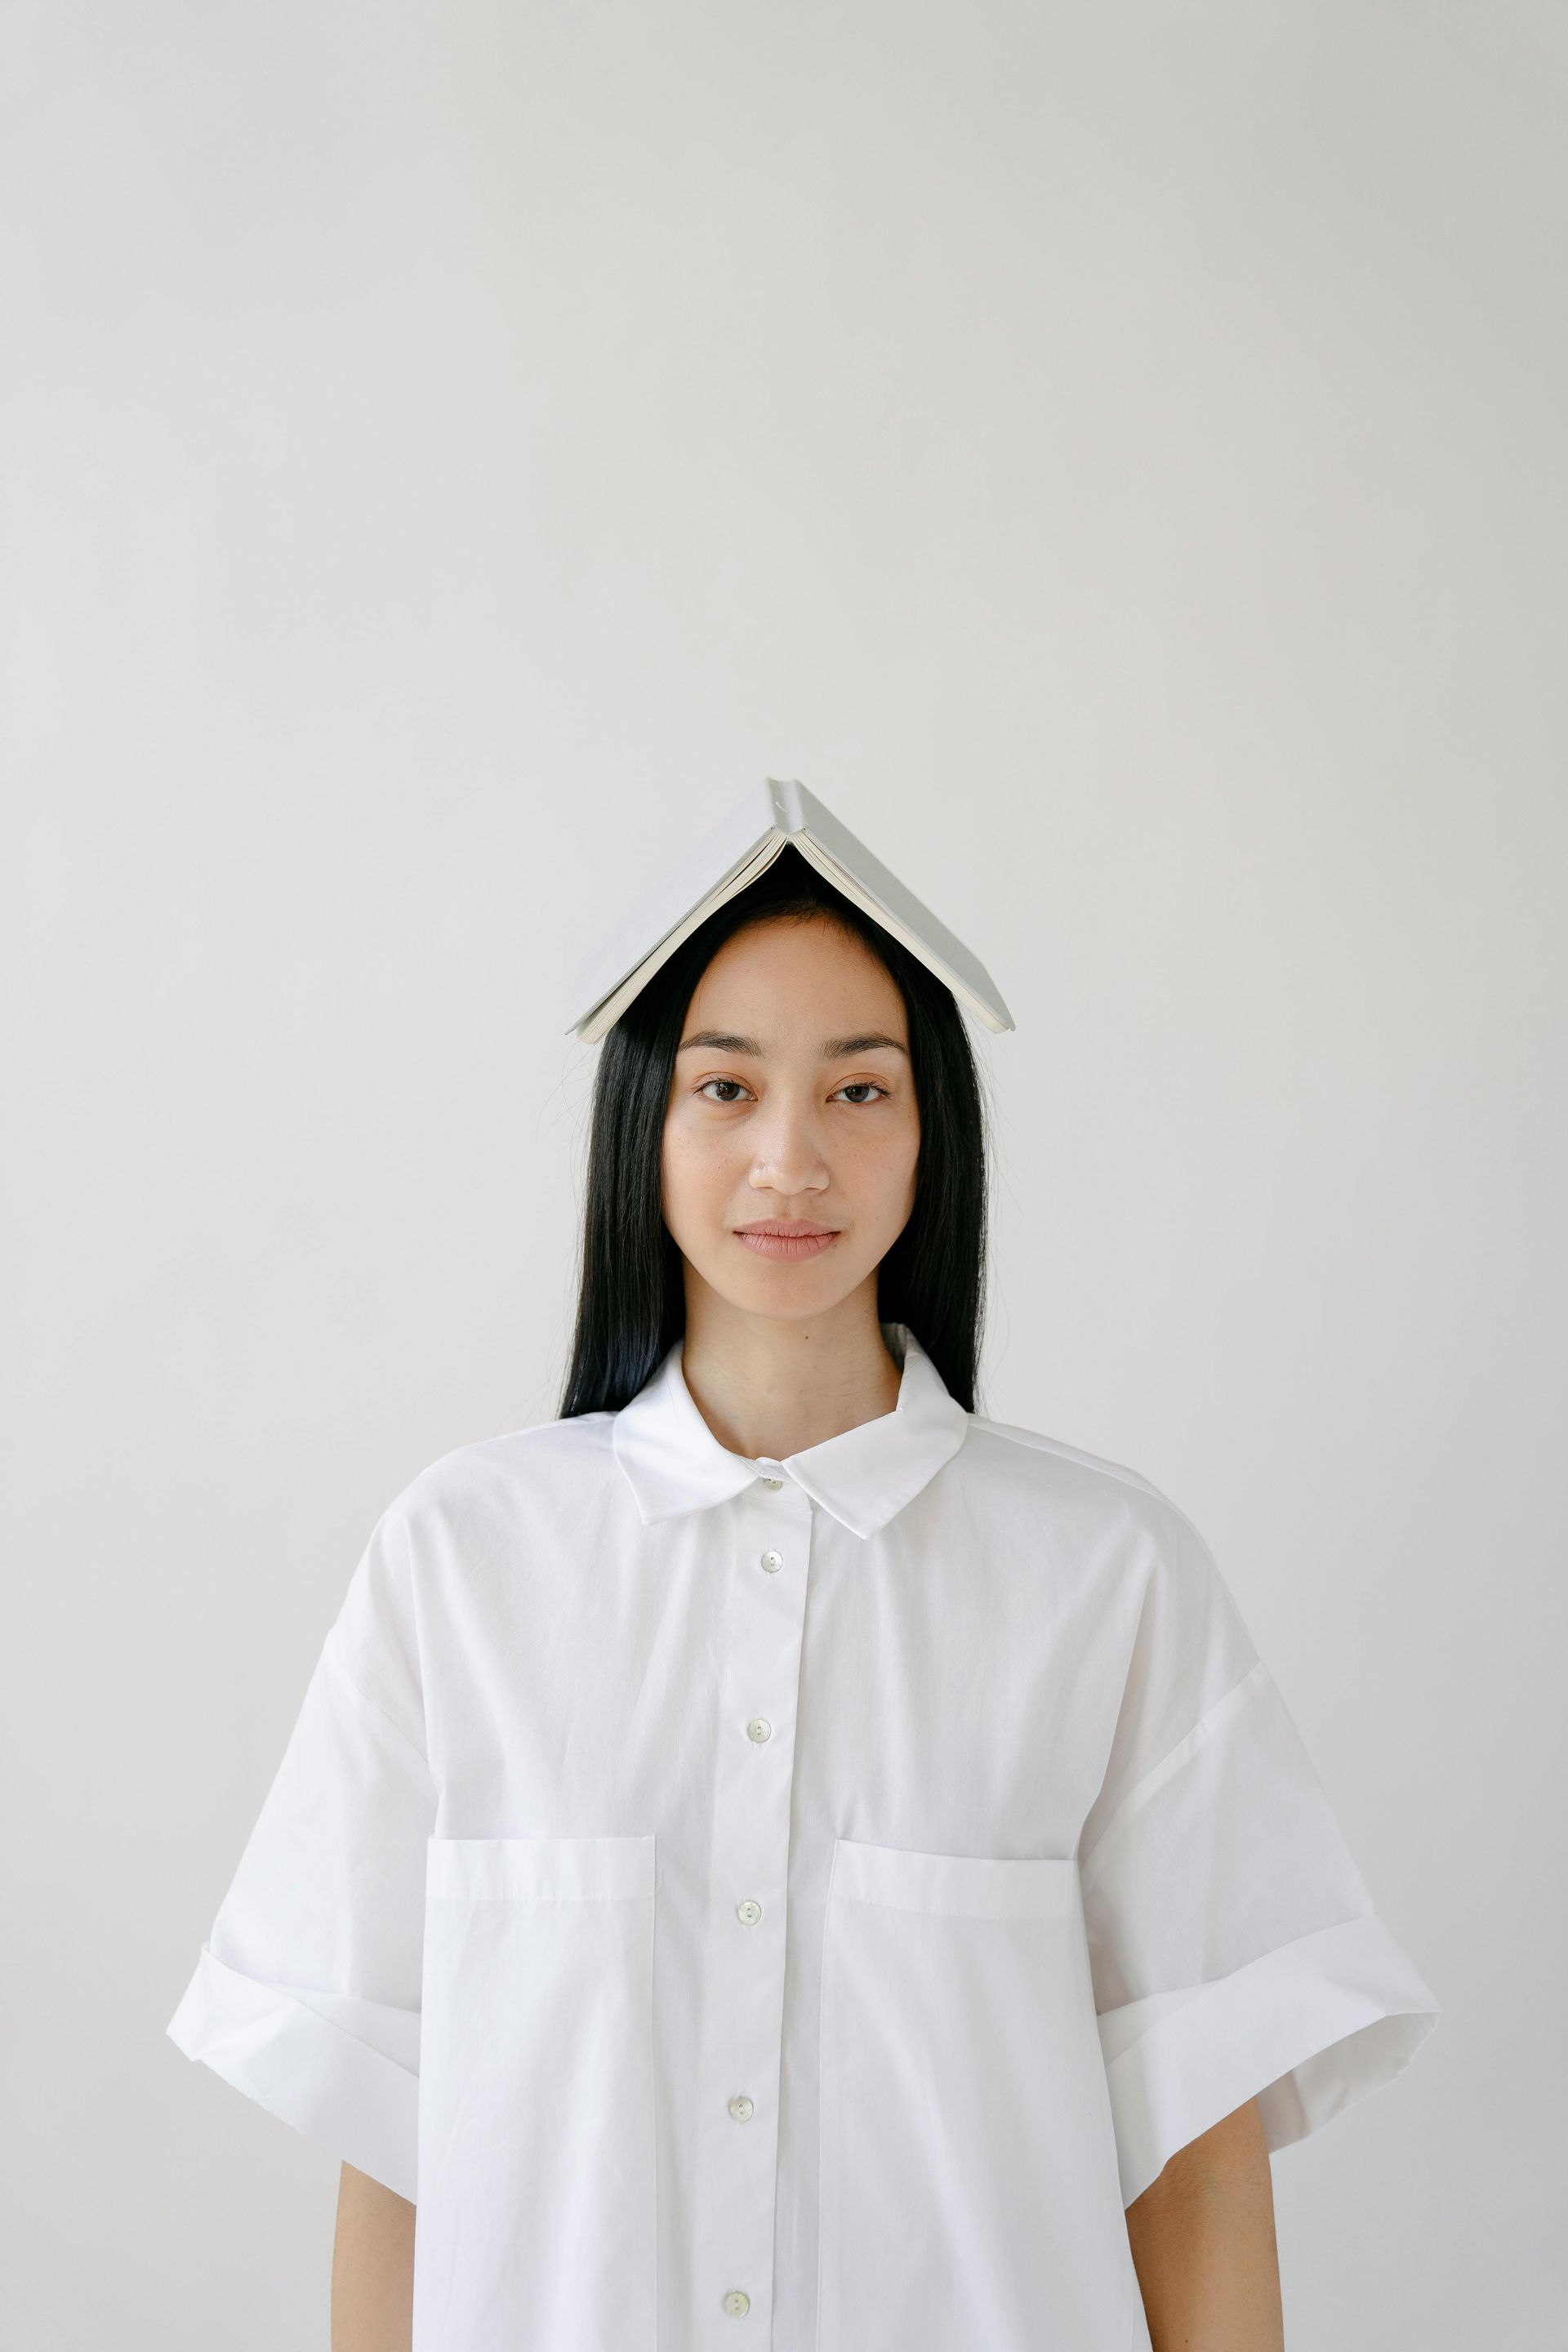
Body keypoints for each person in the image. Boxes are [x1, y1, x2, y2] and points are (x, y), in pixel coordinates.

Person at [167, 806, 1440, 2352]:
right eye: (725, 1087)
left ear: (932, 1133)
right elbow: (394, 2147)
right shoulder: (462, 1559)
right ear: (647, 1122)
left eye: (858, 1087)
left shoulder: (1107, 1575)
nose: (791, 1157)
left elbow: (1198, 2164)